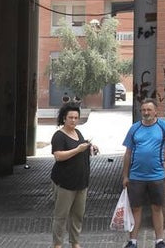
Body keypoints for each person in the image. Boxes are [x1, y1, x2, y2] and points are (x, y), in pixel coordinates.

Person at [121, 98, 165, 248]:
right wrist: (125, 175)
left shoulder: (164, 126)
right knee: (136, 209)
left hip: (156, 176)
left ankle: (159, 241)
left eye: (149, 110)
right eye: (143, 110)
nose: (146, 112)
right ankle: (133, 241)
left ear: (156, 111)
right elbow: (127, 153)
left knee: (157, 208)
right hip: (136, 176)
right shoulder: (134, 128)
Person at [50, 103, 98, 248]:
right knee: (61, 216)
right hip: (64, 182)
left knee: (78, 215)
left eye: (76, 118)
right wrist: (78, 149)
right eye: (70, 117)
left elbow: (81, 149)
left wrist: (90, 148)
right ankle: (57, 244)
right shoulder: (59, 136)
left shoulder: (78, 133)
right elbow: (58, 156)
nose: (73, 120)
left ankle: (75, 242)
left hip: (81, 182)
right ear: (64, 118)